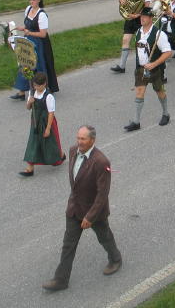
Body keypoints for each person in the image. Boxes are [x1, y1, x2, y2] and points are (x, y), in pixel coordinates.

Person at [42, 125, 122, 292]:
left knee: (104, 237)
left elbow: (102, 194)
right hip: (74, 208)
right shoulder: (73, 151)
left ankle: (115, 259)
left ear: (92, 140)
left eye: (83, 139)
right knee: (68, 245)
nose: (79, 142)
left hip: (94, 211)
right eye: (78, 138)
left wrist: (90, 217)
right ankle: (61, 279)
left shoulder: (101, 162)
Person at [124, 7, 173, 131]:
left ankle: (166, 114)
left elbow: (168, 52)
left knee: (159, 91)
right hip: (141, 69)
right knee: (139, 92)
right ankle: (136, 121)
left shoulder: (158, 34)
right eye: (141, 16)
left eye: (145, 17)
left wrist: (154, 64)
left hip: (155, 69)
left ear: (151, 18)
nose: (142, 18)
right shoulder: (138, 32)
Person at [10, 0, 59, 99]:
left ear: (38, 0)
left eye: (33, 0)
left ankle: (43, 89)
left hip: (39, 44)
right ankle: (22, 91)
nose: (31, 2)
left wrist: (29, 33)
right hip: (28, 42)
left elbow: (43, 34)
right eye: (30, 0)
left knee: (38, 66)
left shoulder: (41, 15)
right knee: (24, 64)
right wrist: (22, 28)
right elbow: (28, 26)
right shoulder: (28, 9)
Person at [19, 72, 65, 176]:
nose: (36, 87)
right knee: (33, 142)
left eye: (38, 86)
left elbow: (51, 113)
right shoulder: (32, 93)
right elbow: (28, 108)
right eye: (35, 85)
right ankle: (30, 168)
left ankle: (60, 155)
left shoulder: (48, 96)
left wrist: (48, 129)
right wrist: (29, 102)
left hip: (46, 122)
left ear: (44, 84)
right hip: (35, 121)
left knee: (50, 143)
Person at [111, 0, 152, 74]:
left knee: (142, 43)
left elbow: (147, 6)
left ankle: (145, 65)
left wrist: (137, 15)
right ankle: (122, 66)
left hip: (141, 19)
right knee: (125, 39)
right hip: (130, 17)